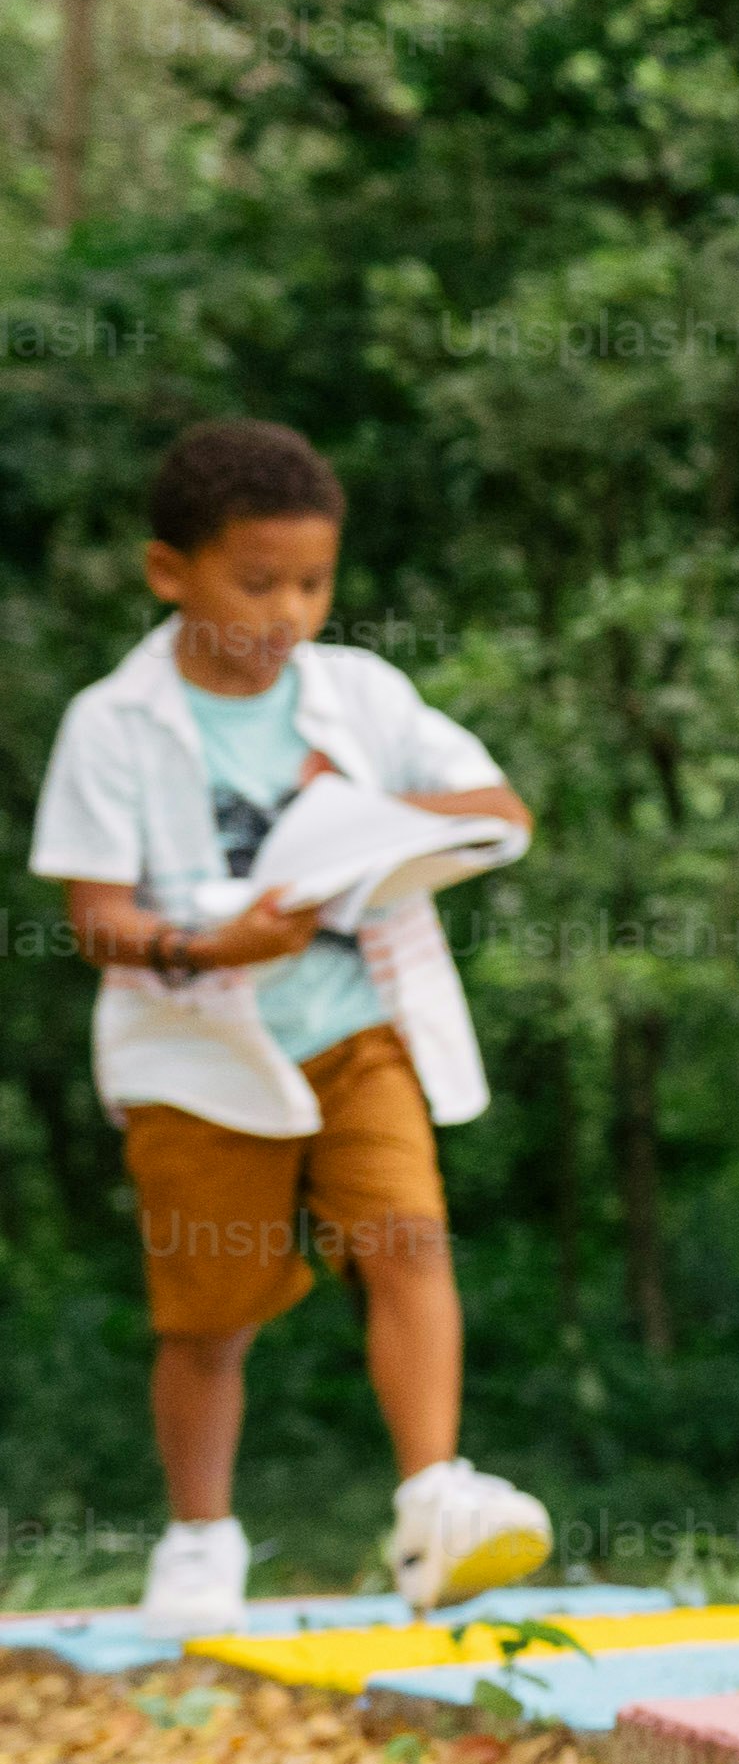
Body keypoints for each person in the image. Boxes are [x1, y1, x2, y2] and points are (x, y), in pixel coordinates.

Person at [32, 417, 548, 1622]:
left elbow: (497, 805)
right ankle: (202, 1537)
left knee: (409, 1241)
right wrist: (210, 943)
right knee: (210, 1310)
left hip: (359, 1025)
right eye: (256, 581)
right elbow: (97, 915)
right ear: (173, 571)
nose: (288, 611)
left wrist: (370, 819)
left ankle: (435, 1496)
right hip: (196, 1052)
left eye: (312, 582)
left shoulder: (361, 694)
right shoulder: (112, 723)